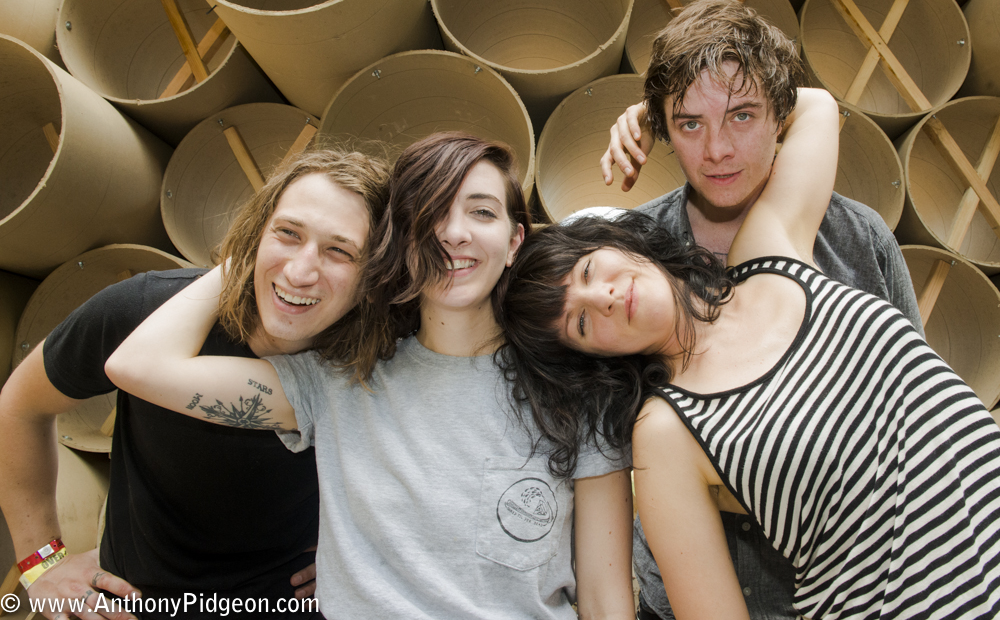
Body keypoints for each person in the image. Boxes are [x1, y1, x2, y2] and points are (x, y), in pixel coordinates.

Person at [500, 63, 1000, 620]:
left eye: (591, 272)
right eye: (583, 324)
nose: (606, 299)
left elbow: (814, 106)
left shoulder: (770, 255)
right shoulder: (666, 432)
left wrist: (666, 115)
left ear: (622, 242)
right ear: (595, 358)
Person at [104, 133, 636, 619]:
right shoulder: (338, 382)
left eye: (482, 212)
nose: (454, 233)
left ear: (515, 240)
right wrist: (256, 248)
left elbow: (606, 599)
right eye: (431, 212)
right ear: (399, 239)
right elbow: (138, 367)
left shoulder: (573, 391)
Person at [597, 0, 924, 620]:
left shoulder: (858, 238)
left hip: (855, 595)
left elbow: (905, 411)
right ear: (661, 131)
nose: (717, 149)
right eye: (689, 124)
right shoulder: (630, 255)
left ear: (783, 115)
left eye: (742, 115)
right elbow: (603, 454)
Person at [0, 147, 390, 619]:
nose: (299, 272)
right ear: (256, 233)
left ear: (375, 273)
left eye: (339, 250)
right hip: (130, 604)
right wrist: (42, 563)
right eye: (287, 233)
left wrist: (364, 555)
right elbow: (20, 405)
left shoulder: (378, 363)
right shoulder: (145, 310)